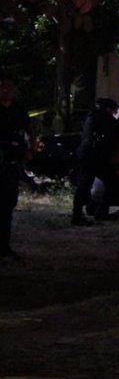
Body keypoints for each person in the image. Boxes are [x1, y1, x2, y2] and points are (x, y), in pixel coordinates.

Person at [71, 98, 119, 225]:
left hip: (91, 157)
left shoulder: (94, 117)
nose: (114, 114)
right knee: (86, 186)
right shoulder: (104, 119)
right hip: (92, 158)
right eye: (113, 111)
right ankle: (80, 215)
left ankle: (96, 212)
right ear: (107, 109)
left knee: (104, 182)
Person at [0, 71, 33, 261]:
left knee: (7, 207)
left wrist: (31, 151)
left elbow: (30, 130)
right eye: (2, 87)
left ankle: (4, 247)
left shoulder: (19, 111)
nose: (6, 91)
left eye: (9, 87)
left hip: (12, 166)